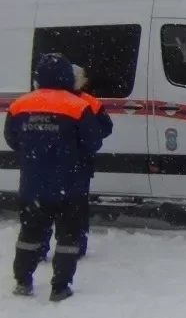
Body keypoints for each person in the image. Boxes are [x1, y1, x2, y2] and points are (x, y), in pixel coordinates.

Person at [4, 53, 103, 301]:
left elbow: (12, 139)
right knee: (68, 238)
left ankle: (23, 281)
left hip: (33, 185)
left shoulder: (19, 105)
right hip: (70, 186)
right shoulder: (77, 106)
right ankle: (60, 287)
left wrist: (35, 153)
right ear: (67, 76)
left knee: (29, 235)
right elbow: (93, 142)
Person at [38, 65, 113, 262]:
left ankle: (39, 247)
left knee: (43, 208)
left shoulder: (43, 99)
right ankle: (74, 247)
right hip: (77, 165)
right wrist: (81, 141)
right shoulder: (87, 102)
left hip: (44, 164)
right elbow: (104, 129)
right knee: (75, 209)